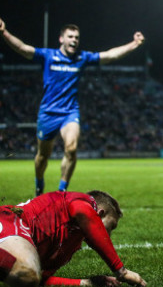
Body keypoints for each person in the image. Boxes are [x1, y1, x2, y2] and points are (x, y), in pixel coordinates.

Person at [0, 18, 145, 195]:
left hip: (69, 112)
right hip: (47, 113)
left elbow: (109, 55)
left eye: (76, 37)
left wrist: (134, 44)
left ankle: (61, 193)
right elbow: (22, 48)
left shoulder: (82, 58)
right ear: (61, 39)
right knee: (42, 156)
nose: (74, 40)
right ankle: (39, 185)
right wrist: (4, 32)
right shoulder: (48, 56)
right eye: (70, 36)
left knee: (71, 148)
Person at [0, 190, 146, 287]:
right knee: (28, 274)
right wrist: (121, 271)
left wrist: (88, 282)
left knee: (29, 279)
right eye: (111, 226)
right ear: (99, 214)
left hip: (16, 231)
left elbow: (43, 280)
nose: (109, 235)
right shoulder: (82, 202)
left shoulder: (70, 243)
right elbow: (83, 213)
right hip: (10, 219)